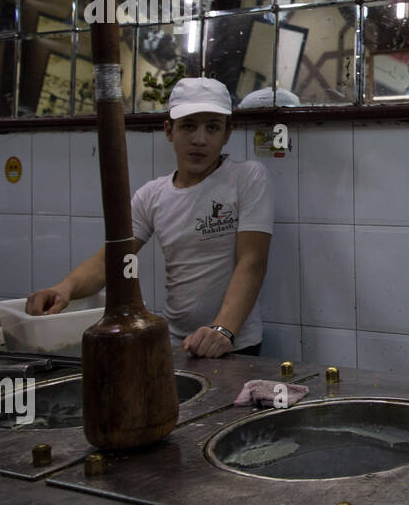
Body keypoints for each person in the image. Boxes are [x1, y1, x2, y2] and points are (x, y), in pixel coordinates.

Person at [27, 78, 273, 359]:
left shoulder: (248, 178)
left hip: (235, 344)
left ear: (228, 133)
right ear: (169, 130)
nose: (200, 139)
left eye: (213, 127)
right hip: (175, 344)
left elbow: (252, 262)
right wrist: (64, 288)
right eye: (189, 125)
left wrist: (222, 330)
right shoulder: (152, 196)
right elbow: (110, 261)